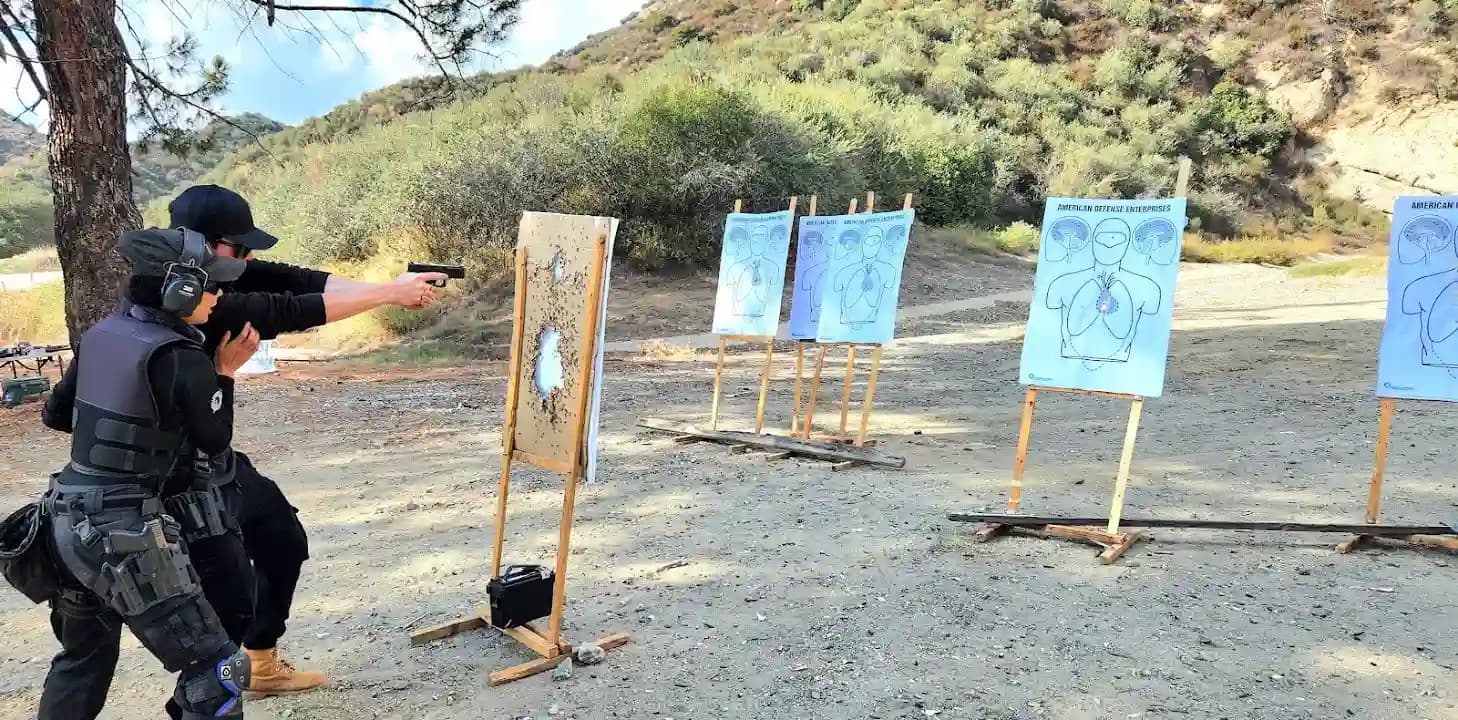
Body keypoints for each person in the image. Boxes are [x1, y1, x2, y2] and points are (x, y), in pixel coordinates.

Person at [165, 184, 446, 694]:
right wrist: (386, 295)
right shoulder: (197, 301)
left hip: (205, 450)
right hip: (179, 462)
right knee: (224, 578)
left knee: (279, 536)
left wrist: (387, 284)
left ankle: (259, 662)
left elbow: (294, 280)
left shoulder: (191, 272)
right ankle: (225, 679)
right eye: (240, 247)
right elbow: (286, 309)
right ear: (205, 243)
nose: (248, 259)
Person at [36, 227, 260, 719]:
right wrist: (224, 372)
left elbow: (56, 414)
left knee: (83, 657)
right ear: (180, 289)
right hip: (124, 532)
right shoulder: (181, 357)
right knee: (217, 668)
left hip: (66, 517)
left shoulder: (102, 335)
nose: (218, 295)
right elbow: (215, 438)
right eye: (212, 285)